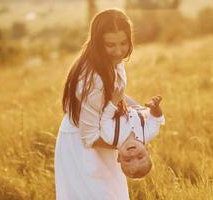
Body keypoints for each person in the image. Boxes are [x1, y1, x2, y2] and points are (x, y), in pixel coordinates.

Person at [55, 9, 136, 200]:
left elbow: (115, 95)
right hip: (83, 146)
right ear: (98, 43)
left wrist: (144, 112)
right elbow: (90, 137)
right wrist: (128, 142)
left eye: (123, 43)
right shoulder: (91, 79)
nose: (118, 51)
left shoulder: (111, 60)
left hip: (105, 136)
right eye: (110, 45)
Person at [100, 95, 165, 178]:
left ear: (119, 157)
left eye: (128, 160)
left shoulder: (111, 137)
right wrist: (155, 108)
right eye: (140, 157)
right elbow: (157, 119)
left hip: (111, 103)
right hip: (134, 106)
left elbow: (105, 119)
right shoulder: (149, 133)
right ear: (147, 150)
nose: (133, 154)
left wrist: (113, 102)